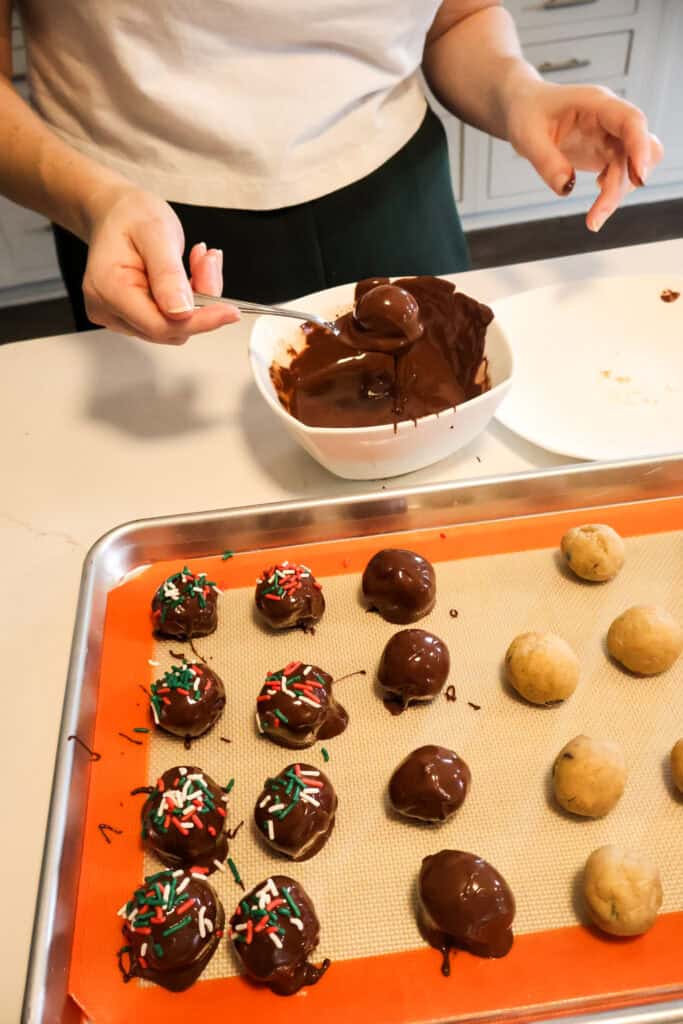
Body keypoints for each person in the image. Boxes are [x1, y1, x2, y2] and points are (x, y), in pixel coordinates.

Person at [1, 1, 662, 345]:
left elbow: (457, 16)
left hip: (396, 193)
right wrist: (94, 201)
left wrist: (518, 92)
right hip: (144, 225)